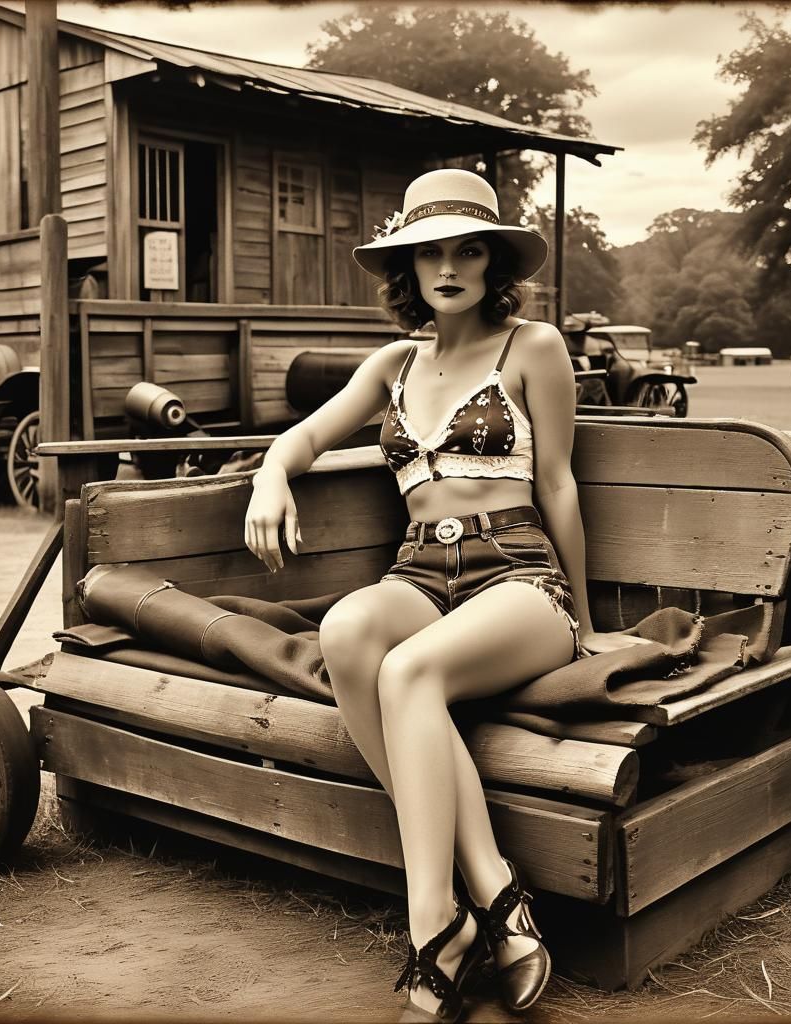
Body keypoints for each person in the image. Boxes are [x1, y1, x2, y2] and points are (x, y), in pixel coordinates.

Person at [244, 168, 620, 1022]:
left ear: (495, 263)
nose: (448, 266)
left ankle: (432, 928)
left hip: (518, 573)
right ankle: (492, 891)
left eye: (468, 249)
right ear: (406, 268)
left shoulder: (534, 347)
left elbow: (558, 484)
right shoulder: (391, 364)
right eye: (430, 252)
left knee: (407, 674)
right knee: (346, 633)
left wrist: (586, 620)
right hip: (417, 570)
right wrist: (271, 477)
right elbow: (300, 438)